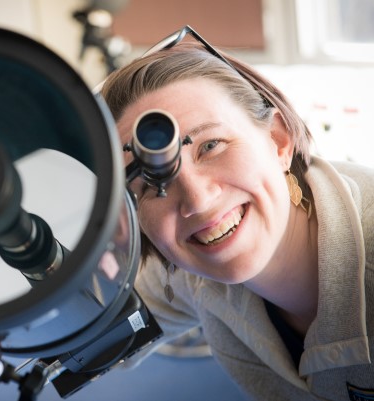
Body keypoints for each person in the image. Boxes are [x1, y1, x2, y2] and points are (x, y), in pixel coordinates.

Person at [99, 25, 374, 401]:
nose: (197, 201)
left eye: (211, 146)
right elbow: (86, 338)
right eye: (152, 182)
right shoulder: (190, 278)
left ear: (278, 140)